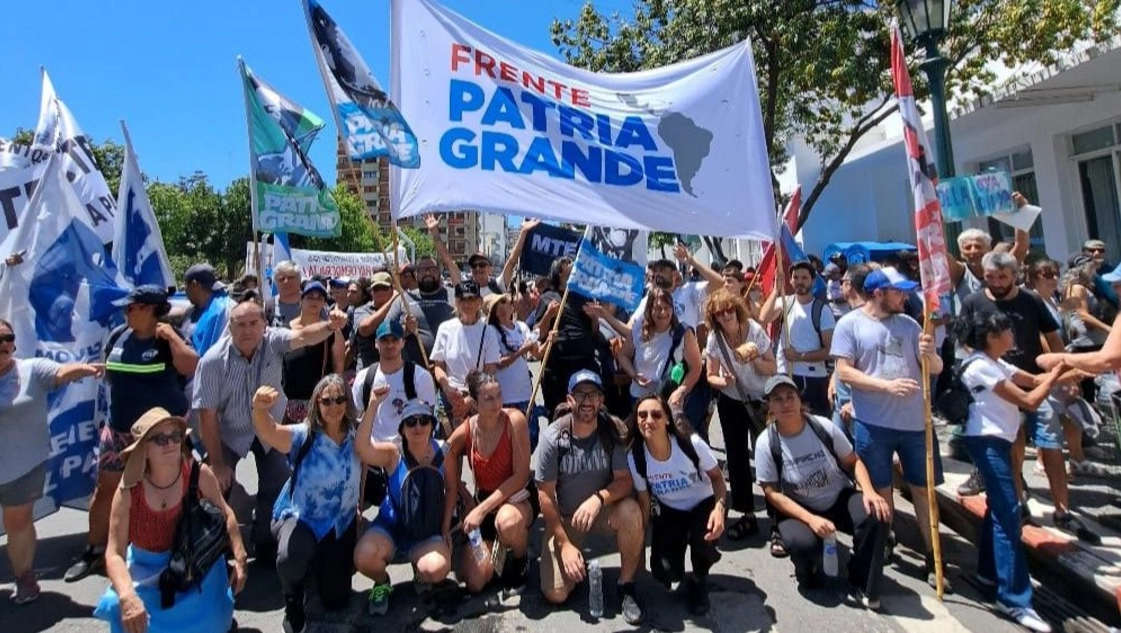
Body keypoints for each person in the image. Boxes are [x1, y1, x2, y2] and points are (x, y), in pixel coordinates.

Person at [193, 298, 347, 563]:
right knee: (216, 485)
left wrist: (329, 327)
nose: (247, 330)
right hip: (230, 433)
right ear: (230, 326)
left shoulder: (274, 341)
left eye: (253, 323)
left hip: (269, 430)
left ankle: (265, 539)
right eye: (240, 324)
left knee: (278, 480)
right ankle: (219, 543)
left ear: (265, 324)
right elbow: (207, 416)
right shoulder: (212, 361)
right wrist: (217, 463)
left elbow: (303, 336)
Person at [66, 286, 200, 583]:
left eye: (132, 307)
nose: (126, 312)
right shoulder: (119, 335)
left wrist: (171, 337)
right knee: (106, 490)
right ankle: (95, 550)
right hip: (119, 430)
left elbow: (191, 365)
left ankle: (176, 550)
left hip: (162, 435)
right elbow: (111, 373)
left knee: (170, 489)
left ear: (152, 309)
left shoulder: (171, 338)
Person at [830, 266, 947, 590]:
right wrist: (885, 386)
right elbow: (845, 372)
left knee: (923, 490)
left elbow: (935, 367)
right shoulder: (849, 325)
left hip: (916, 424)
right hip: (874, 423)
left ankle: (933, 556)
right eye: (898, 292)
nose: (904, 297)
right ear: (879, 293)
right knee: (882, 490)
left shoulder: (910, 325)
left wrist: (931, 356)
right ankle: (884, 541)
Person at [955, 312, 1066, 633]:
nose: (1012, 334)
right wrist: (1058, 372)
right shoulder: (979, 366)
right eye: (1006, 330)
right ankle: (1014, 600)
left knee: (998, 509)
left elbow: (1032, 380)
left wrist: (1066, 369)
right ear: (991, 336)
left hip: (998, 442)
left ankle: (988, 574)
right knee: (1009, 514)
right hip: (987, 443)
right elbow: (1030, 400)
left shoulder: (995, 362)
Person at [94, 408, 247, 633]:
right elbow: (114, 552)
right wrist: (127, 594)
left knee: (211, 621)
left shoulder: (197, 473)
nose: (171, 444)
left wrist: (240, 557)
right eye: (160, 439)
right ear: (144, 449)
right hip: (145, 567)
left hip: (193, 561)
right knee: (117, 606)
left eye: (175, 436)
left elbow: (227, 515)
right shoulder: (128, 491)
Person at [957, 252, 1078, 533]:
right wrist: (987, 364)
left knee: (1051, 445)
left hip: (1035, 381)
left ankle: (1062, 509)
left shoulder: (1031, 299)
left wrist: (1067, 373)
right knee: (1013, 448)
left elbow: (1052, 336)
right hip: (999, 389)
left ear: (1014, 275)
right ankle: (1020, 501)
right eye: (990, 277)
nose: (996, 283)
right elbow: (964, 341)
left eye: (1002, 277)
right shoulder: (973, 301)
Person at [754, 375, 890, 609]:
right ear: (770, 407)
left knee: (876, 513)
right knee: (802, 545)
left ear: (800, 400)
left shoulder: (822, 426)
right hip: (800, 508)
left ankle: (861, 578)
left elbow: (853, 461)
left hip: (837, 498)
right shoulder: (766, 442)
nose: (785, 404)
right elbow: (772, 493)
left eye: (790, 396)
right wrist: (811, 519)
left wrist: (869, 491)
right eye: (777, 399)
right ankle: (809, 569)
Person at [0, 319, 103, 604]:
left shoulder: (31, 369)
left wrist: (85, 369)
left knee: (17, 522)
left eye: (8, 338)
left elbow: (60, 372)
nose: (4, 344)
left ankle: (24, 578)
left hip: (23, 467)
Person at [251, 376, 362, 633]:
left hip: (339, 524)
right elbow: (269, 432)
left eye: (340, 399)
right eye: (327, 401)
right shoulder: (304, 435)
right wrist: (259, 409)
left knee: (336, 599)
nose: (334, 406)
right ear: (316, 403)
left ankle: (315, 567)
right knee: (290, 557)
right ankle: (292, 597)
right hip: (303, 518)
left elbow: (365, 466)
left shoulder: (354, 434)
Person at [534, 370, 645, 624]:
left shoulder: (612, 431)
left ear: (601, 400)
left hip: (602, 511)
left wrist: (598, 498)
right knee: (556, 594)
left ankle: (626, 584)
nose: (587, 401)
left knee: (631, 511)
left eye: (593, 394)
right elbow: (545, 496)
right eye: (580, 395)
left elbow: (624, 481)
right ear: (569, 399)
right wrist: (564, 545)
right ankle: (574, 560)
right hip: (566, 517)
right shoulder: (553, 437)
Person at [627, 395, 726, 615]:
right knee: (664, 571)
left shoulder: (691, 443)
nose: (648, 420)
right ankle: (679, 561)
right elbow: (644, 501)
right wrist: (639, 548)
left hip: (704, 503)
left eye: (656, 415)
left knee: (703, 538)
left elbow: (718, 479)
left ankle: (700, 577)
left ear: (667, 420)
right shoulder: (636, 457)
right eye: (642, 415)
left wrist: (719, 510)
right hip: (671, 510)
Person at [353, 397, 452, 616]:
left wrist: (445, 527)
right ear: (402, 429)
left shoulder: (443, 452)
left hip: (425, 532)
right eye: (411, 422)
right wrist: (372, 406)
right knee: (364, 556)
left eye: (424, 420)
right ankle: (382, 582)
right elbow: (361, 448)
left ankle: (420, 571)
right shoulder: (392, 454)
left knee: (437, 569)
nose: (418, 427)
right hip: (391, 529)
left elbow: (452, 488)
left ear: (432, 425)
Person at [443, 372, 534, 594]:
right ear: (474, 403)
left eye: (499, 395)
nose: (497, 403)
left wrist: (481, 510)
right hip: (484, 500)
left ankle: (521, 559)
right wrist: (462, 492)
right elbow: (445, 452)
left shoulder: (514, 421)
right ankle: (496, 550)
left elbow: (520, 476)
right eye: (489, 398)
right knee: (475, 581)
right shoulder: (469, 428)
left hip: (516, 498)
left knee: (507, 522)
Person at [701, 287, 776, 543]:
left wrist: (753, 361)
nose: (726, 315)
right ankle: (747, 514)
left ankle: (778, 517)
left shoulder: (754, 330)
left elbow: (773, 366)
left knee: (768, 456)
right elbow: (710, 376)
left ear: (737, 309)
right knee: (736, 457)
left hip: (760, 400)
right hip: (732, 401)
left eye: (729, 309)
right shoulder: (715, 338)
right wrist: (723, 382)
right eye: (719, 313)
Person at [759, 261, 836, 417]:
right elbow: (764, 317)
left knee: (815, 425)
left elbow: (830, 351)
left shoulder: (822, 310)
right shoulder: (785, 302)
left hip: (813, 379)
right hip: (785, 375)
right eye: (796, 277)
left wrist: (800, 356)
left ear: (812, 280)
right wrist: (776, 290)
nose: (800, 282)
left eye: (804, 278)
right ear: (791, 280)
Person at [534, 257, 602, 415]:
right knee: (559, 411)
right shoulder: (547, 297)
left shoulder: (583, 297)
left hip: (583, 362)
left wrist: (594, 318)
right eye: (569, 262)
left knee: (584, 409)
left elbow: (593, 332)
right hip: (558, 367)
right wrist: (548, 315)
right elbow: (539, 333)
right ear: (560, 270)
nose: (574, 264)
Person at [617, 287, 703, 411]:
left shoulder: (683, 333)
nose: (663, 313)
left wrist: (681, 391)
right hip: (639, 398)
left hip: (668, 399)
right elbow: (623, 355)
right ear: (649, 310)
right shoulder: (639, 329)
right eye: (658, 308)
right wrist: (634, 375)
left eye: (667, 308)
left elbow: (696, 367)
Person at [431, 280, 501, 430]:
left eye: (471, 299)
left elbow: (490, 370)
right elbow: (438, 366)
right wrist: (447, 388)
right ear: (456, 302)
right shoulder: (445, 328)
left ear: (479, 302)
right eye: (462, 299)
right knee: (447, 443)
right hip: (449, 397)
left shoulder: (488, 332)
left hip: (477, 399)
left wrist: (470, 399)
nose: (467, 304)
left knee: (476, 441)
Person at [282, 281, 346, 424]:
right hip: (287, 406)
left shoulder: (332, 331)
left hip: (319, 404)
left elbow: (338, 367)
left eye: (319, 298)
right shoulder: (286, 330)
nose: (314, 301)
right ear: (301, 299)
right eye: (310, 297)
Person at [384, 255, 455, 365]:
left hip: (449, 368)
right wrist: (405, 330)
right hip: (413, 369)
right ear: (416, 275)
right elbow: (385, 331)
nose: (427, 273)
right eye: (422, 270)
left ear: (439, 272)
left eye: (432, 269)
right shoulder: (403, 299)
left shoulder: (454, 296)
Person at [485, 293, 539, 414]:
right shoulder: (491, 331)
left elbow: (537, 354)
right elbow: (499, 363)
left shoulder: (522, 326)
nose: (505, 306)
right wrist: (522, 350)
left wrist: (548, 340)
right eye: (500, 304)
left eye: (506, 303)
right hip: (505, 396)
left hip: (525, 393)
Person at [181, 263, 231, 356]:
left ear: (194, 285)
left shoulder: (223, 310)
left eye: (186, 287)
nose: (185, 293)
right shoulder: (193, 311)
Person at [267, 261, 304, 328]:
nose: (286, 281)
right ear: (276, 283)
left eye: (291, 277)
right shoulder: (268, 306)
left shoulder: (314, 302)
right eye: (281, 279)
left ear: (299, 279)